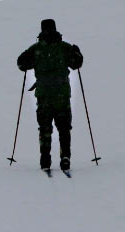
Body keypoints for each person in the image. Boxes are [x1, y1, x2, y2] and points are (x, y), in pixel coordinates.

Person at [17, 19, 83, 171]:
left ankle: (45, 158)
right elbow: (76, 64)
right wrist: (77, 53)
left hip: (44, 96)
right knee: (64, 128)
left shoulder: (36, 49)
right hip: (62, 96)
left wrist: (24, 57)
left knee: (45, 129)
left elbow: (21, 64)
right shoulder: (64, 48)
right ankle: (65, 156)